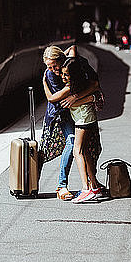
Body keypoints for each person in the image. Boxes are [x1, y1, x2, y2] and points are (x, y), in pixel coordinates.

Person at [41, 45, 98, 200]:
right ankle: (62, 185)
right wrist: (89, 97)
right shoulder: (51, 74)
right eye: (48, 66)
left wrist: (77, 96)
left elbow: (94, 84)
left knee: (87, 147)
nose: (52, 69)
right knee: (73, 143)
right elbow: (57, 100)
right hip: (62, 114)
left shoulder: (76, 65)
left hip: (79, 112)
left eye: (54, 65)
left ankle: (93, 183)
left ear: (62, 60)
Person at [60, 57, 103, 204]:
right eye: (62, 74)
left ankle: (86, 189)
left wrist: (45, 83)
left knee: (77, 151)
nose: (63, 77)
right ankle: (95, 187)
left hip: (83, 119)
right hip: (86, 118)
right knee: (84, 151)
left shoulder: (76, 87)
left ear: (74, 75)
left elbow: (55, 99)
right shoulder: (82, 84)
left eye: (66, 74)